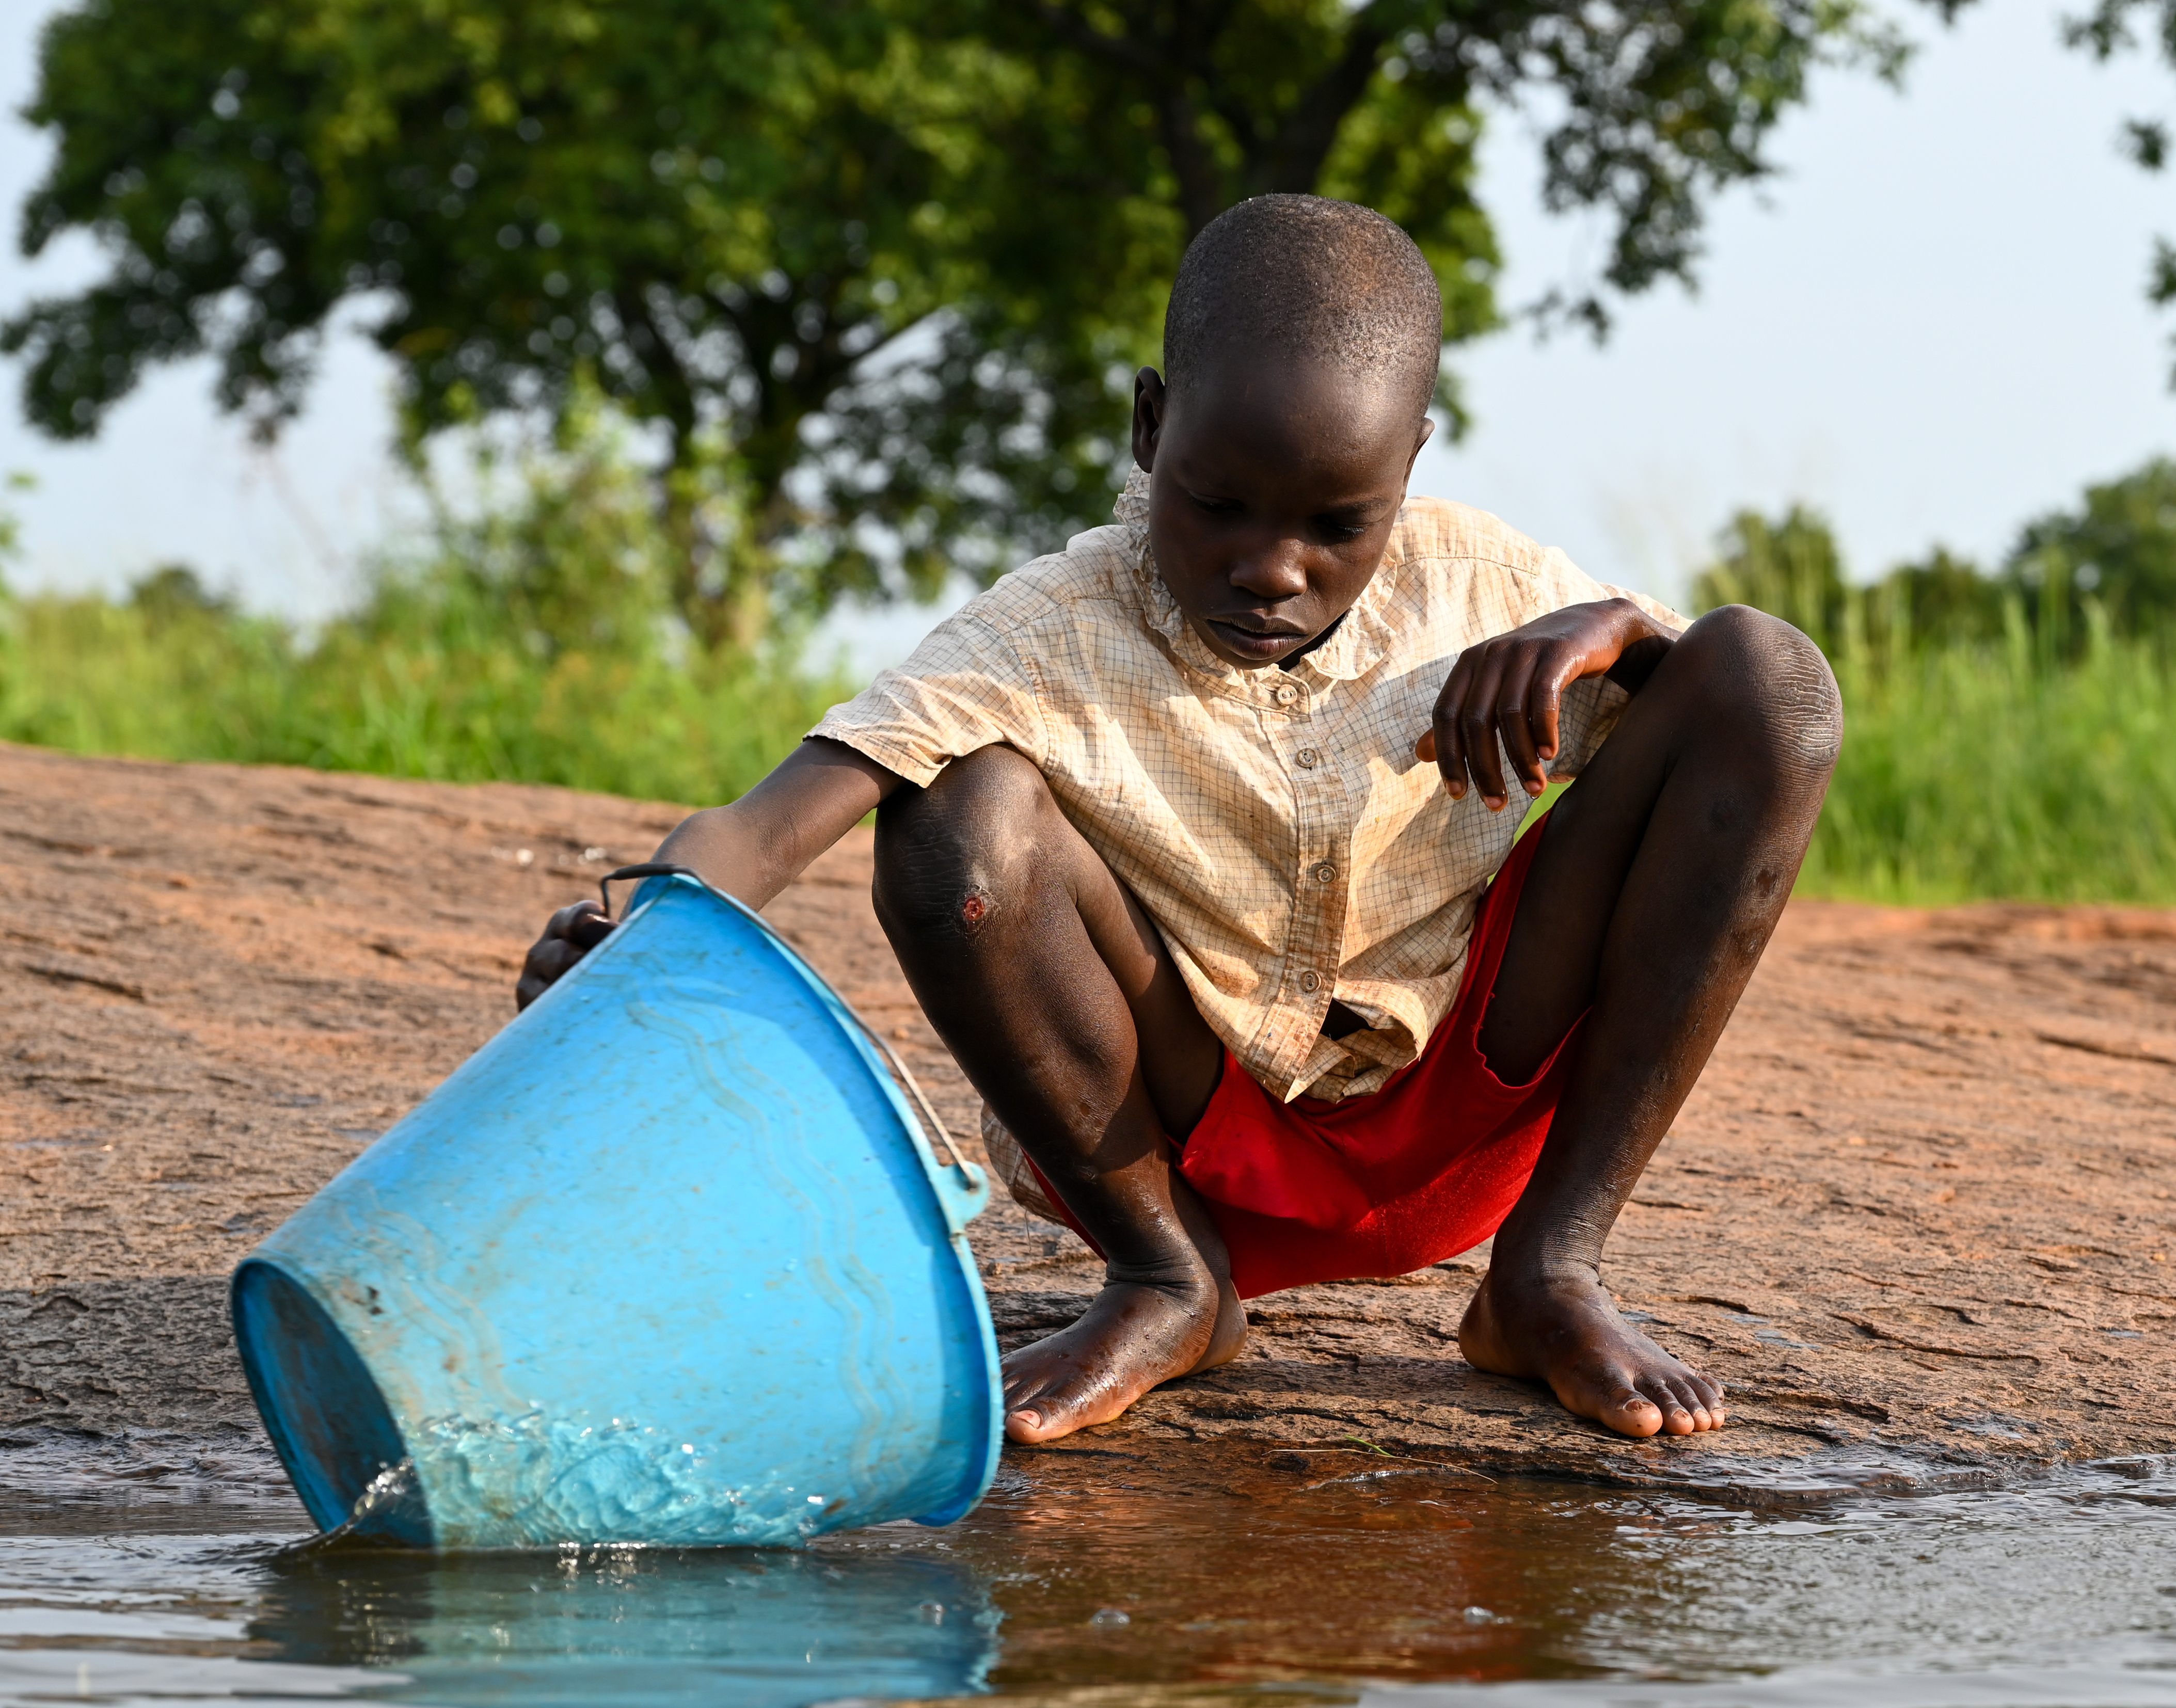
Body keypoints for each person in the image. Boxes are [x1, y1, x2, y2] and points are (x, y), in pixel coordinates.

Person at [518, 195, 1839, 1445]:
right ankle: (1170, 1290)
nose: (1273, 566)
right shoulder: (1048, 628)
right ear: (1151, 428)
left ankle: (1546, 1273)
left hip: (1465, 1110)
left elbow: (1730, 734)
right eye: (1217, 505)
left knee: (1774, 680)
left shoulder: (1487, 583)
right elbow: (765, 827)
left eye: (1339, 521)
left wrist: (1622, 636)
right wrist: (633, 934)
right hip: (1186, 1148)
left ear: (1412, 464)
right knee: (955, 812)